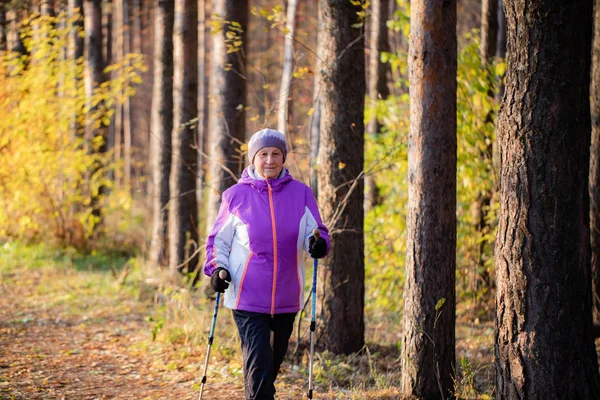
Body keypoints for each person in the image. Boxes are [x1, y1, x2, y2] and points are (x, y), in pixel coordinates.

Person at [203, 128, 329, 400]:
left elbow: (315, 231)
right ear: (253, 159)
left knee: (270, 366)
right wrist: (217, 270)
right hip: (247, 296)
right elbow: (218, 242)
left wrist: (317, 244)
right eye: (263, 154)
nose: (270, 160)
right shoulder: (235, 196)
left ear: (283, 158)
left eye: (276, 154)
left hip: (287, 295)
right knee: (259, 363)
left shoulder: (301, 194)